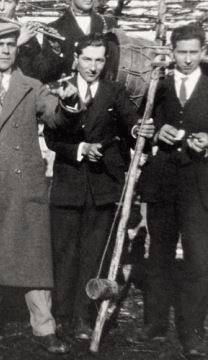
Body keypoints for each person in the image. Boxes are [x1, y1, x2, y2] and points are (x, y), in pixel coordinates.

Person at [0, 21, 79, 357]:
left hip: (22, 183)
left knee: (33, 256)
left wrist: (70, 103)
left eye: (11, 45)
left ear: (17, 49)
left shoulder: (32, 86)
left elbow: (57, 118)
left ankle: (44, 326)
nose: (5, 50)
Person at [44, 33, 155, 340]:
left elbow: (130, 122)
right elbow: (53, 138)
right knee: (64, 252)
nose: (92, 66)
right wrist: (80, 148)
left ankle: (82, 314)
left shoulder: (114, 91)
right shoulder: (60, 89)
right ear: (75, 59)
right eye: (87, 59)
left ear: (106, 61)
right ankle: (62, 313)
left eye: (99, 59)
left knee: (94, 254)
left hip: (102, 186)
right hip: (68, 185)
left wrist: (138, 128)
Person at [138, 24, 208, 359]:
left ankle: (193, 331)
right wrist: (155, 133)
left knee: (199, 257)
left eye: (194, 52)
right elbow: (142, 126)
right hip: (163, 179)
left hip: (199, 183)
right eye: (182, 52)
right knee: (159, 253)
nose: (188, 59)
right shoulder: (159, 87)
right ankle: (155, 325)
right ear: (172, 51)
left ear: (203, 52)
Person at [33, 0, 117, 84]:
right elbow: (44, 75)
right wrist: (56, 51)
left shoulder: (108, 23)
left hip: (101, 91)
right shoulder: (55, 27)